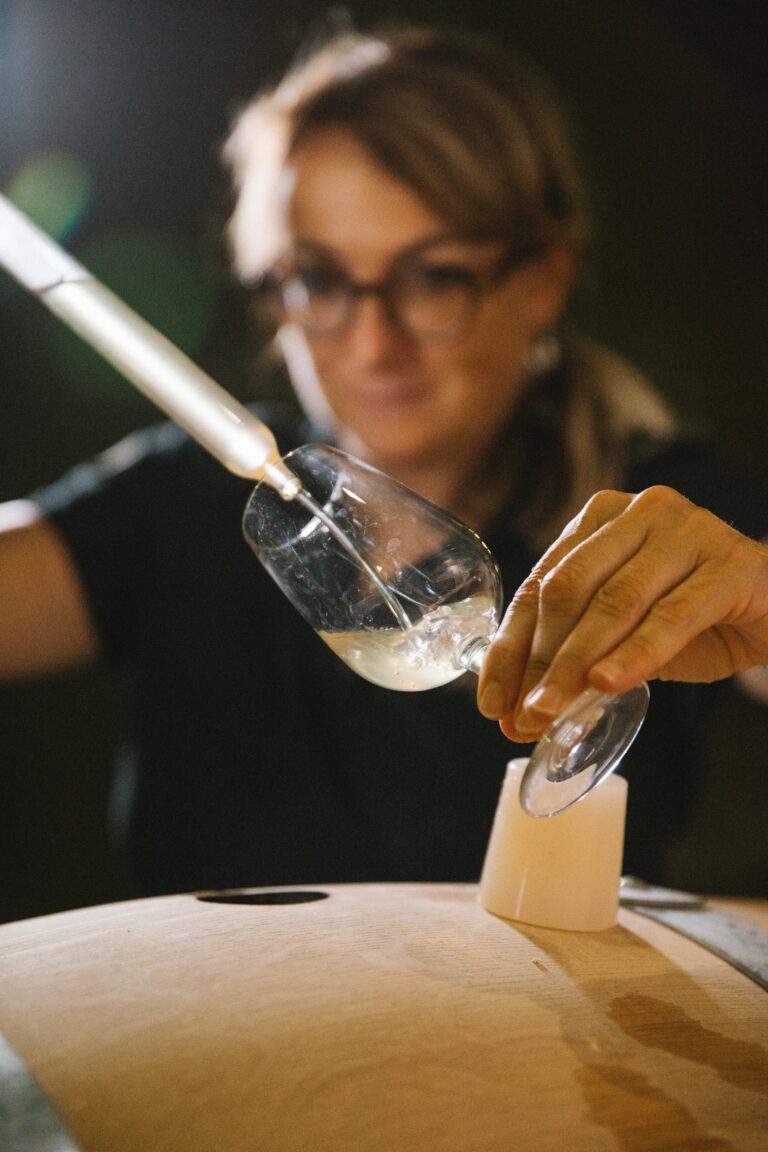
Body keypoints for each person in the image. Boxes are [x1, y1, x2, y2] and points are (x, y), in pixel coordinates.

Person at [0, 25, 765, 896]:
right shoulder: (183, 498)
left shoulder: (664, 502)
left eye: (433, 277)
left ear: (543, 279)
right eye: (322, 281)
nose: (372, 344)